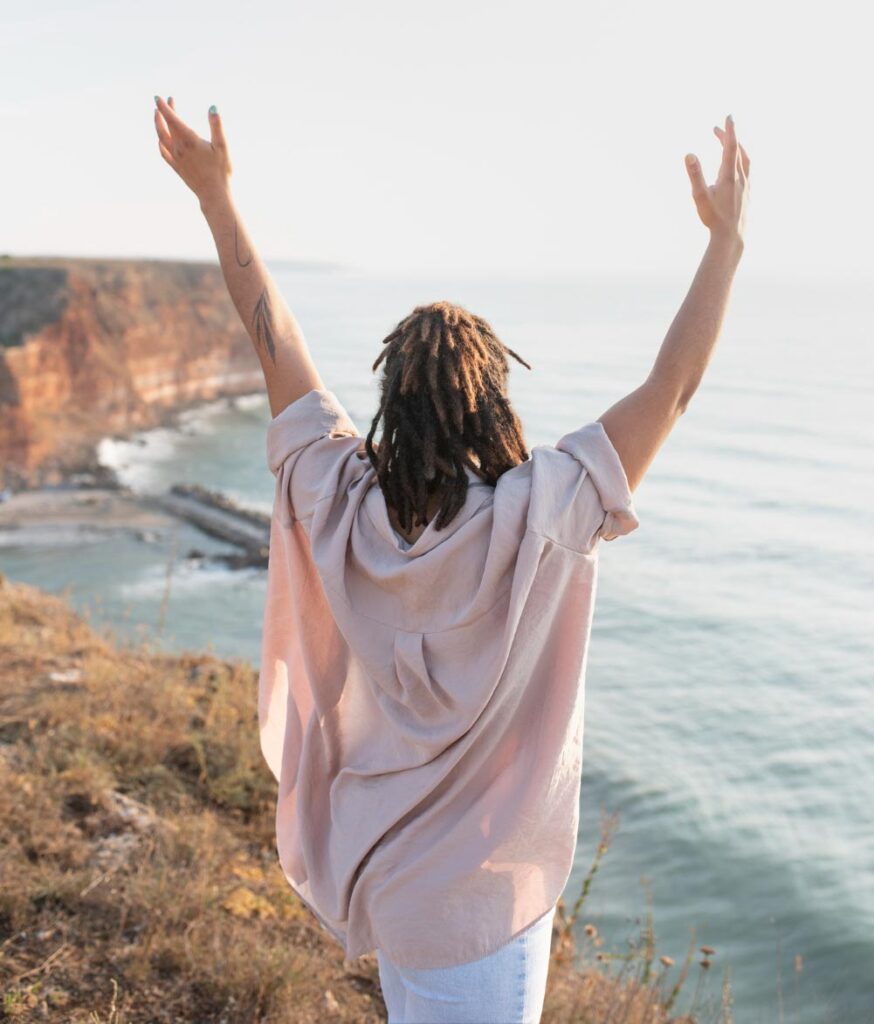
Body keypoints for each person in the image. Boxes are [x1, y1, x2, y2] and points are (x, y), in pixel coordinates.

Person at [153, 97, 750, 1024]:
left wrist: (217, 199)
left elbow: (276, 340)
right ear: (492, 401)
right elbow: (672, 391)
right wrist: (726, 242)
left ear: (393, 398)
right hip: (484, 919)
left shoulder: (342, 507)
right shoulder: (543, 514)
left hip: (394, 886)